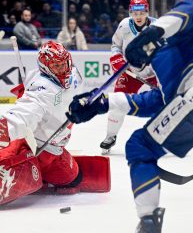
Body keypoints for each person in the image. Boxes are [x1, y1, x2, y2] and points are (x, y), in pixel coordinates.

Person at [66, 0, 193, 233]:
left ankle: (148, 227)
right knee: (142, 144)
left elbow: (191, 11)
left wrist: (154, 33)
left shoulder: (180, 30)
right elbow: (159, 103)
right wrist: (102, 104)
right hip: (191, 103)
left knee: (140, 146)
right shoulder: (160, 63)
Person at [0, 41, 110, 206]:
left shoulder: (73, 73)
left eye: (65, 64)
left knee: (73, 179)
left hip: (54, 147)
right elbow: (23, 114)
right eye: (57, 66)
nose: (63, 70)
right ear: (45, 68)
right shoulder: (43, 89)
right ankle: (27, 165)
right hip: (37, 146)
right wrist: (6, 127)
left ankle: (37, 172)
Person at [100, 0, 157, 154]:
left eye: (142, 12)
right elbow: (115, 45)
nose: (138, 16)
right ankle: (111, 136)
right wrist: (116, 58)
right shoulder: (124, 25)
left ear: (147, 12)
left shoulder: (158, 27)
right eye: (135, 13)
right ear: (131, 12)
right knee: (117, 103)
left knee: (165, 104)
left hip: (154, 72)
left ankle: (161, 138)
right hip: (130, 72)